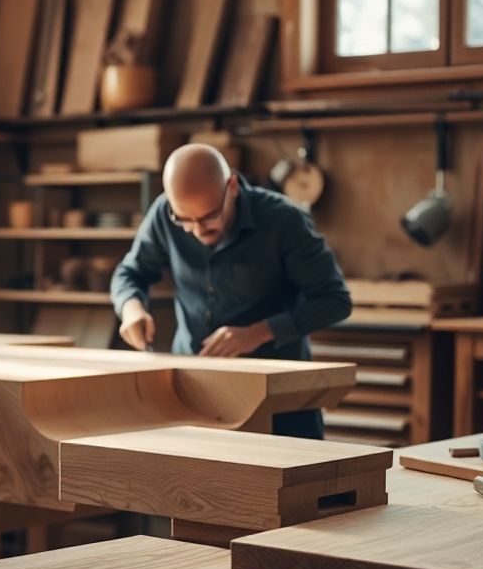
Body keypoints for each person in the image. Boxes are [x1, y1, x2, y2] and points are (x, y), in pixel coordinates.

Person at [110, 144, 351, 439]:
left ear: (232, 186)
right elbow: (129, 273)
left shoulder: (283, 220)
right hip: (193, 391)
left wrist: (259, 332)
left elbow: (335, 300)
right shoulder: (164, 213)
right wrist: (131, 309)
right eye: (185, 220)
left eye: (209, 217)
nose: (198, 230)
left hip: (278, 398)